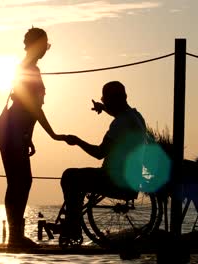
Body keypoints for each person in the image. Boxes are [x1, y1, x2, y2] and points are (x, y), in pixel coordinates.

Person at [0, 27, 65, 247]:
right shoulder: (30, 69)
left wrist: (28, 136)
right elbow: (33, 108)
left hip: (15, 133)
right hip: (14, 133)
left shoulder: (25, 67)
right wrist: (52, 133)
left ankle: (14, 236)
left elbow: (25, 109)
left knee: (18, 183)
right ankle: (15, 237)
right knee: (21, 182)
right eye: (44, 44)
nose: (46, 49)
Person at [60, 81, 148, 245]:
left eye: (105, 100)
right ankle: (74, 223)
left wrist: (77, 141)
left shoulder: (119, 124)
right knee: (79, 177)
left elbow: (99, 153)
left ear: (113, 100)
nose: (105, 103)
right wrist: (103, 108)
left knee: (70, 175)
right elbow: (119, 113)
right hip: (132, 180)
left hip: (114, 180)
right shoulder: (136, 117)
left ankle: (73, 226)